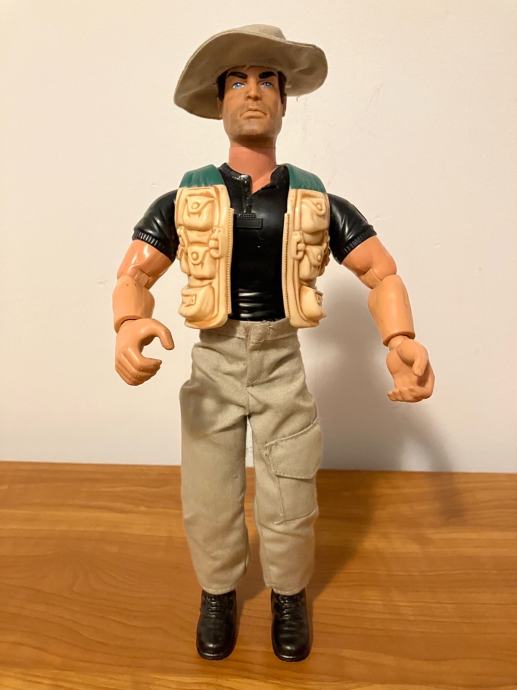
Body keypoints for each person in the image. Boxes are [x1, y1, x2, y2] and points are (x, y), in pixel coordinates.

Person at [112, 24, 435, 663]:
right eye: (237, 81)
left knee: (290, 493)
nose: (253, 92)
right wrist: (127, 323)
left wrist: (399, 337)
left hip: (282, 363)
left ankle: (288, 593)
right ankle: (218, 592)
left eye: (267, 81)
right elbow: (134, 275)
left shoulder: (316, 200)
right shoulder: (185, 199)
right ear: (219, 102)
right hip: (214, 363)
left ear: (285, 101)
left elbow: (380, 271)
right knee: (209, 495)